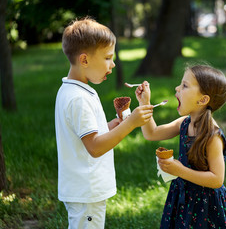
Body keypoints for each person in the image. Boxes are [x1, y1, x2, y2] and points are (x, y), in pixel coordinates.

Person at [55, 17, 153, 229]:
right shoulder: (78, 98)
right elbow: (95, 147)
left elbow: (87, 135)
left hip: (83, 189)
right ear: (84, 60)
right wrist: (130, 124)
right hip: (87, 190)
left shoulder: (74, 90)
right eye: (108, 57)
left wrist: (112, 126)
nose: (113, 63)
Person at [136, 64, 226, 228]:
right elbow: (152, 133)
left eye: (184, 85)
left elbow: (217, 179)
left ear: (203, 99)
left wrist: (180, 171)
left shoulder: (212, 136)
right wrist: (144, 103)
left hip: (207, 206)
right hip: (184, 198)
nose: (177, 87)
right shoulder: (184, 123)